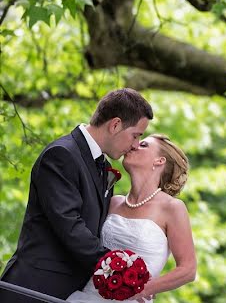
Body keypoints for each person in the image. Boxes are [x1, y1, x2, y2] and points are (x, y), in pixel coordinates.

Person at [0, 88, 153, 302]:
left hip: (70, 291)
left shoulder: (101, 165)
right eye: (136, 135)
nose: (135, 144)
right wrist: (116, 266)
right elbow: (70, 225)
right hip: (34, 287)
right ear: (115, 125)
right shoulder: (61, 154)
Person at [66, 134, 196, 302]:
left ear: (159, 161)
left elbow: (188, 269)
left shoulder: (172, 208)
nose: (133, 146)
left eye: (143, 145)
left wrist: (144, 289)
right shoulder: (113, 202)